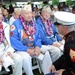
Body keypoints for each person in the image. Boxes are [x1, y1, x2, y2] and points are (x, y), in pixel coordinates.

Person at [10, 4, 51, 75]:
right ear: (22, 15)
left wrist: (38, 47)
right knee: (26, 58)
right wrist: (27, 50)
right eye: (26, 13)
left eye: (30, 13)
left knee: (46, 53)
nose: (29, 15)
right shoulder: (15, 24)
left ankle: (48, 73)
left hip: (34, 47)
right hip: (22, 49)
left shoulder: (34, 24)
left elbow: (38, 37)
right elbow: (14, 40)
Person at [36, 5, 64, 71]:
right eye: (45, 12)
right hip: (46, 43)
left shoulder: (50, 21)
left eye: (48, 13)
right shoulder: (38, 23)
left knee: (64, 47)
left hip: (53, 40)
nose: (47, 14)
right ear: (42, 13)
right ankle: (55, 68)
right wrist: (52, 43)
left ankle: (62, 67)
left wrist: (60, 40)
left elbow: (55, 32)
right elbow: (42, 38)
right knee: (57, 50)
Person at [0, 9, 22, 75]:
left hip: (6, 51)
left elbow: (10, 41)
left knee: (18, 59)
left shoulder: (6, 26)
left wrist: (9, 51)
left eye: (0, 14)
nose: (0, 16)